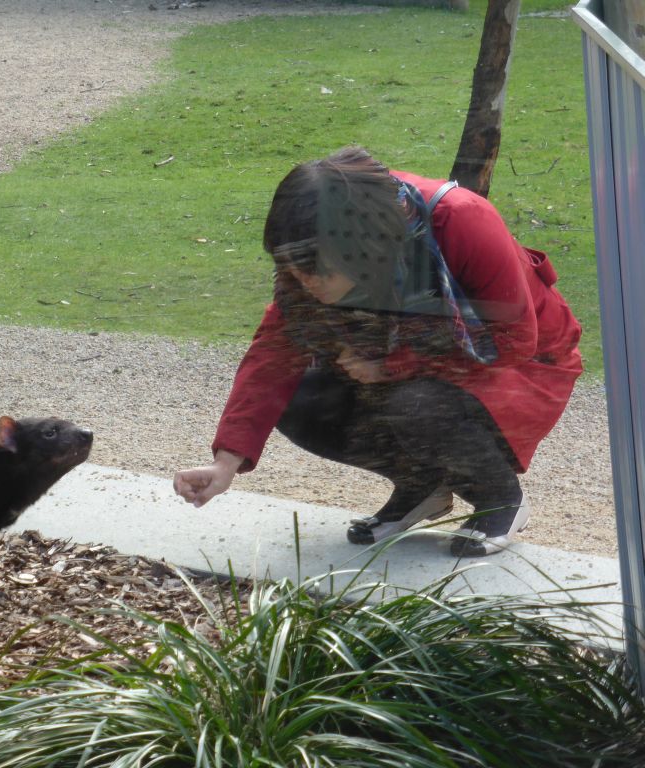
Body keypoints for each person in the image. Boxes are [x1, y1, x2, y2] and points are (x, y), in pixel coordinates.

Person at [173, 146, 582, 557]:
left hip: (524, 365)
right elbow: (273, 356)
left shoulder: (461, 219)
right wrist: (225, 463)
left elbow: (512, 341)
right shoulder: (312, 252)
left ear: (365, 250)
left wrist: (391, 365)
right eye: (296, 270)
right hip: (409, 359)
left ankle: (500, 500)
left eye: (320, 271)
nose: (307, 283)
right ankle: (424, 487)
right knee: (301, 399)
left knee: (413, 402)